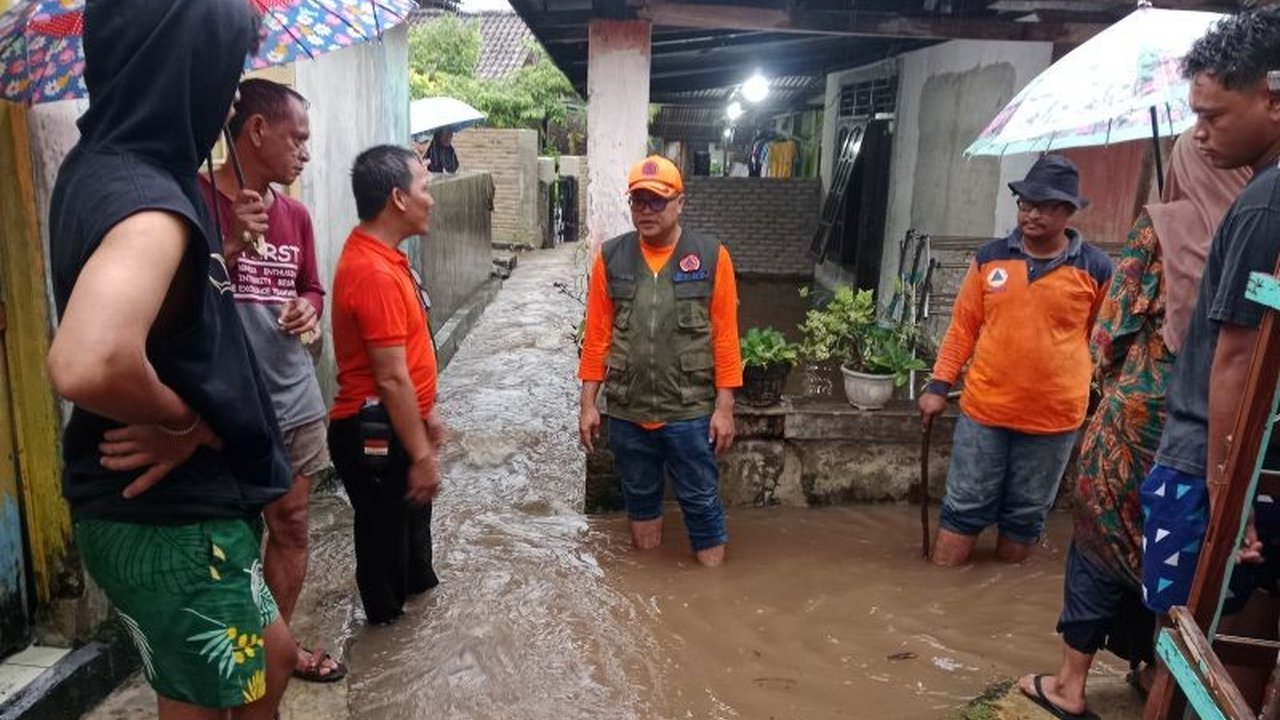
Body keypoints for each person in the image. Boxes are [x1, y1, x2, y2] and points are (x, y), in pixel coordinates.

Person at [45, 2, 294, 718]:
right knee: (216, 695)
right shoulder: (147, 203)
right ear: (189, 68)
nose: (233, 99)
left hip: (180, 511)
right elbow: (87, 362)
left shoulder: (112, 166)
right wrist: (182, 418)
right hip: (171, 518)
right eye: (227, 70)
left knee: (270, 660)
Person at [1016, 133, 1249, 719]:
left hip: (1138, 417)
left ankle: (1070, 684)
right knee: (1174, 550)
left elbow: (1110, 330)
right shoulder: (1254, 231)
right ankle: (1157, 673)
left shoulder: (1160, 228)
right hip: (1221, 428)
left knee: (1097, 540)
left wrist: (1116, 382)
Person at [1140, 8, 1280, 692]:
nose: (1199, 133)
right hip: (1238, 458)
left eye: (1213, 115)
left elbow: (1237, 357)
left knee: (1189, 642)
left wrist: (1229, 493)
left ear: (1273, 101)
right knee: (1243, 637)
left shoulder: (1263, 205)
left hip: (1208, 461)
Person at [201, 78, 345, 683]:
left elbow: (311, 285)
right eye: (297, 139)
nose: (305, 153)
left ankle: (272, 645)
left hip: (294, 395)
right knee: (229, 540)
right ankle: (234, 649)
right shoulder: (195, 199)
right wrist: (230, 243)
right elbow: (175, 294)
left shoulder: (295, 215)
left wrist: (309, 308)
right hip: (224, 407)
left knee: (291, 525)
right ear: (257, 130)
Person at [919, 155, 1113, 567]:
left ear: (1068, 211)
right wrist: (937, 387)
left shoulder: (1096, 269)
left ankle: (1005, 583)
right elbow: (963, 328)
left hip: (1054, 417)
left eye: (1044, 206)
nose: (1031, 214)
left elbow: (1103, 337)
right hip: (985, 409)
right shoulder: (990, 258)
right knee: (964, 503)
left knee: (1025, 514)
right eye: (1026, 204)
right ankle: (944, 579)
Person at [577, 155, 742, 568]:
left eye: (657, 201)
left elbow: (725, 337)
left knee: (702, 503)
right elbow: (597, 336)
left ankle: (712, 586)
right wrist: (588, 404)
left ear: (680, 203)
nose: (646, 211)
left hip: (689, 411)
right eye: (638, 201)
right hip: (629, 411)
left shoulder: (711, 256)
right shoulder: (611, 257)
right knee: (640, 501)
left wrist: (724, 409)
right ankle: (648, 587)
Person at [328, 145, 444, 624]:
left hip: (401, 424)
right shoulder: (372, 271)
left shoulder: (388, 258)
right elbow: (391, 377)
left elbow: (408, 359)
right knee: (386, 561)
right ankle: (381, 649)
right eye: (425, 189)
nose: (431, 199)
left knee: (415, 563)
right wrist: (421, 456)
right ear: (398, 198)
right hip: (376, 431)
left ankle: (414, 651)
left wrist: (427, 414)